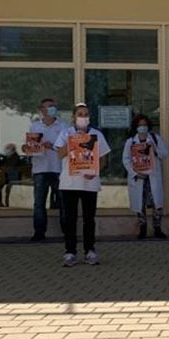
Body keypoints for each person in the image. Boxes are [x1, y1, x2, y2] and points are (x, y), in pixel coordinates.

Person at [54, 103, 111, 266]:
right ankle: (70, 252)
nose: (83, 117)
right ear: (73, 117)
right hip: (69, 183)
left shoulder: (96, 134)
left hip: (89, 183)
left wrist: (94, 169)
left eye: (86, 114)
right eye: (80, 114)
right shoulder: (66, 133)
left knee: (89, 218)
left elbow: (103, 158)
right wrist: (74, 141)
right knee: (69, 219)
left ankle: (90, 251)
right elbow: (59, 154)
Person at [25, 97, 68, 241]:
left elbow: (69, 147)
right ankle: (39, 233)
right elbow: (31, 145)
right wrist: (27, 148)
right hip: (40, 168)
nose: (52, 109)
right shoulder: (35, 126)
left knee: (63, 202)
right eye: (49, 106)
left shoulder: (63, 126)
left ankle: (67, 232)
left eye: (53, 106)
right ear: (42, 110)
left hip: (59, 168)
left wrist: (53, 146)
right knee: (39, 203)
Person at [122, 114, 167, 240]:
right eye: (140, 125)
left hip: (152, 176)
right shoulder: (131, 141)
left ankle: (157, 228)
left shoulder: (155, 138)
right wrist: (135, 173)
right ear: (136, 127)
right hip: (139, 177)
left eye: (145, 125)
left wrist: (155, 148)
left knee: (156, 204)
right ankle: (143, 229)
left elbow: (164, 154)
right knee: (140, 204)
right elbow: (126, 160)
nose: (143, 127)